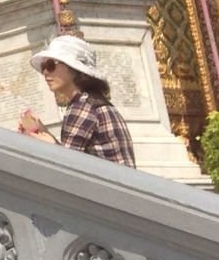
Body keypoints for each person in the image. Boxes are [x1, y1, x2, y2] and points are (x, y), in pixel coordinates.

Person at [18, 34, 134, 166]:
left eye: (50, 65)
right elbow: (74, 158)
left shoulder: (81, 108)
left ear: (73, 67)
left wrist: (47, 146)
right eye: (43, 66)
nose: (45, 72)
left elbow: (67, 168)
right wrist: (45, 135)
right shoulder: (96, 103)